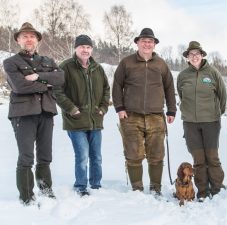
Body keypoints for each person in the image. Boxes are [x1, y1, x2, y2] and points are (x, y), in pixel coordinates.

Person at [3, 22, 64, 205]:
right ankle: (26, 197)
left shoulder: (47, 61)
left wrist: (38, 77)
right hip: (23, 113)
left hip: (46, 112)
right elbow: (20, 86)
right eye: (25, 36)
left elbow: (60, 78)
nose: (29, 39)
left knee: (45, 155)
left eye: (32, 36)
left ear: (37, 40)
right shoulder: (10, 62)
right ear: (18, 40)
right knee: (26, 156)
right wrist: (47, 84)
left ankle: (46, 190)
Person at [112, 28, 176, 194]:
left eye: (150, 41)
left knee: (156, 154)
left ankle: (156, 189)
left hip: (156, 116)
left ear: (154, 44)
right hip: (131, 116)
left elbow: (169, 87)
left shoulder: (161, 64)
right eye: (144, 41)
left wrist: (171, 110)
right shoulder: (127, 62)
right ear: (138, 43)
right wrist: (119, 108)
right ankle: (137, 189)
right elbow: (117, 85)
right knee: (133, 154)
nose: (147, 44)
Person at [54, 34, 110, 196]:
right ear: (76, 48)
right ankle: (80, 186)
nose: (85, 50)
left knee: (96, 157)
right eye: (82, 47)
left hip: (95, 120)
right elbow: (57, 91)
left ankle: (96, 185)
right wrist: (72, 109)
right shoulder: (66, 67)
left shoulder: (97, 68)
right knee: (82, 156)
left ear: (91, 49)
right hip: (75, 121)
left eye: (88, 47)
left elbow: (106, 90)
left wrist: (103, 108)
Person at [177, 41, 227, 201]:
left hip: (211, 122)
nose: (194, 56)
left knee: (212, 157)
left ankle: (217, 189)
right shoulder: (183, 76)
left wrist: (218, 113)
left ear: (202, 55)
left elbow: (222, 94)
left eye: (197, 53)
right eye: (191, 54)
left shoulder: (212, 73)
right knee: (198, 159)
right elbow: (181, 94)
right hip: (190, 123)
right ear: (187, 58)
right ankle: (203, 190)